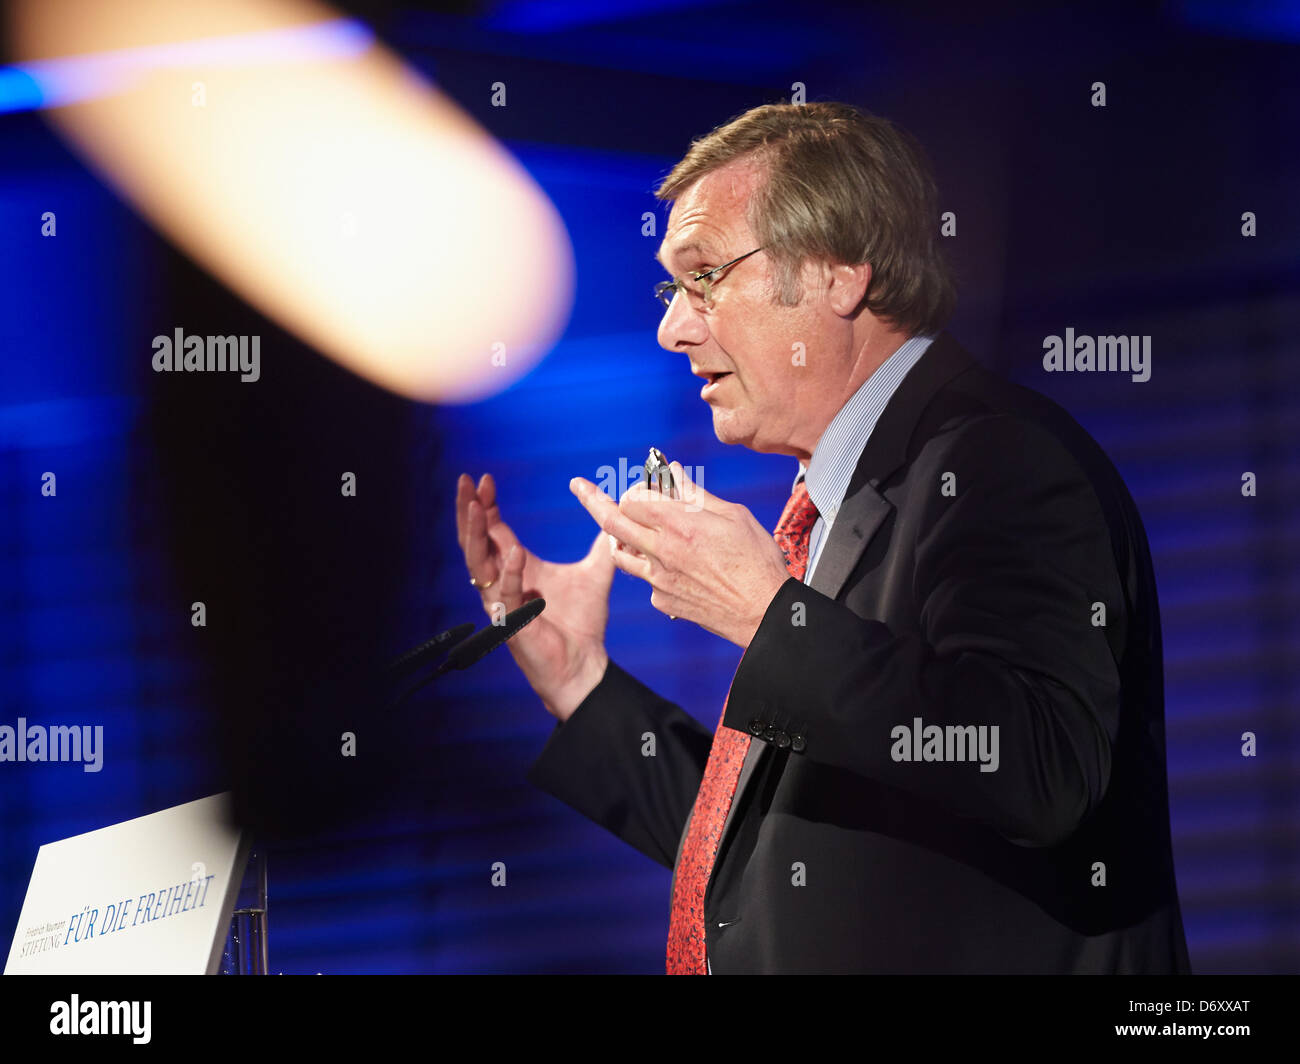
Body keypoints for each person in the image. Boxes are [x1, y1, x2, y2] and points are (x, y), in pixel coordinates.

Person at [454, 101, 1190, 974]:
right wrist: (580, 681)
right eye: (671, 289)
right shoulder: (839, 501)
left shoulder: (1000, 459)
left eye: (706, 277)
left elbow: (1036, 765)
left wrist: (772, 618)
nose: (672, 327)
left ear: (841, 272)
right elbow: (774, 847)